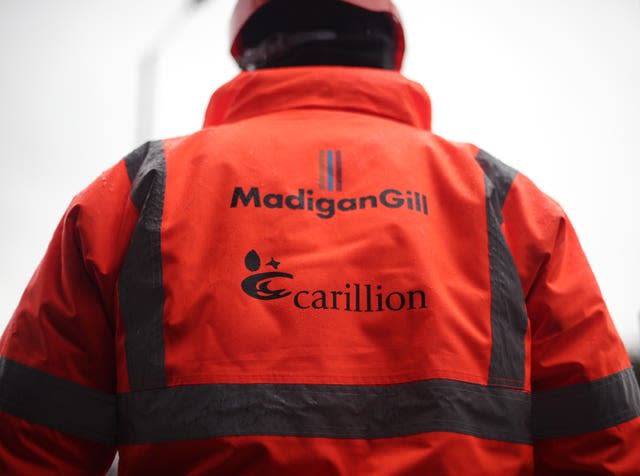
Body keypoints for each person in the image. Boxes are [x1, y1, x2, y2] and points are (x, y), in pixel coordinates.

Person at [1, 0, 639, 474]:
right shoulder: (508, 205)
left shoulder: (138, 194)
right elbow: (604, 449)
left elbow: (27, 445)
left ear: (249, 51)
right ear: (389, 51)